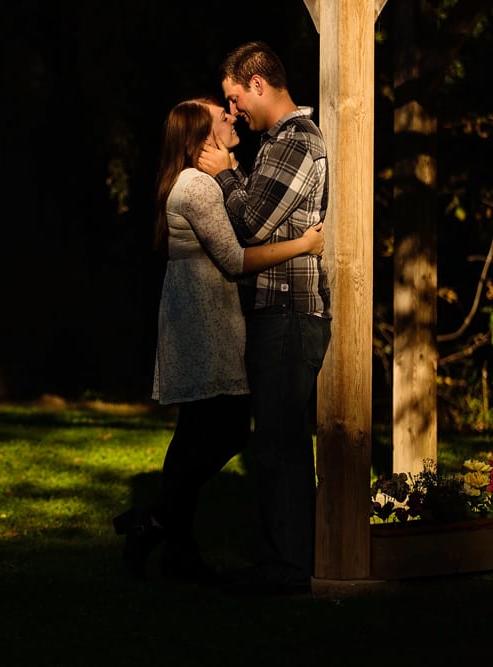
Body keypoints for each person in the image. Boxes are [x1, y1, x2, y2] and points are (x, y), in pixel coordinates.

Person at [112, 97, 325, 584]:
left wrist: (230, 170)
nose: (232, 117)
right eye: (220, 116)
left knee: (195, 432)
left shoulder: (198, 182)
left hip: (201, 312)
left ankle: (174, 546)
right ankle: (158, 520)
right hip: (203, 320)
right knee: (226, 429)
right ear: (200, 137)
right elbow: (235, 258)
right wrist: (305, 244)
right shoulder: (196, 188)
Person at [197, 41, 331, 596]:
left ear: (257, 83)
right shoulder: (276, 143)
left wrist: (227, 173)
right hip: (276, 310)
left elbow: (250, 221)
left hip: (289, 312)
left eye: (233, 99)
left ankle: (289, 567)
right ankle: (284, 559)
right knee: (277, 439)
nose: (233, 113)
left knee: (280, 442)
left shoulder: (297, 141)